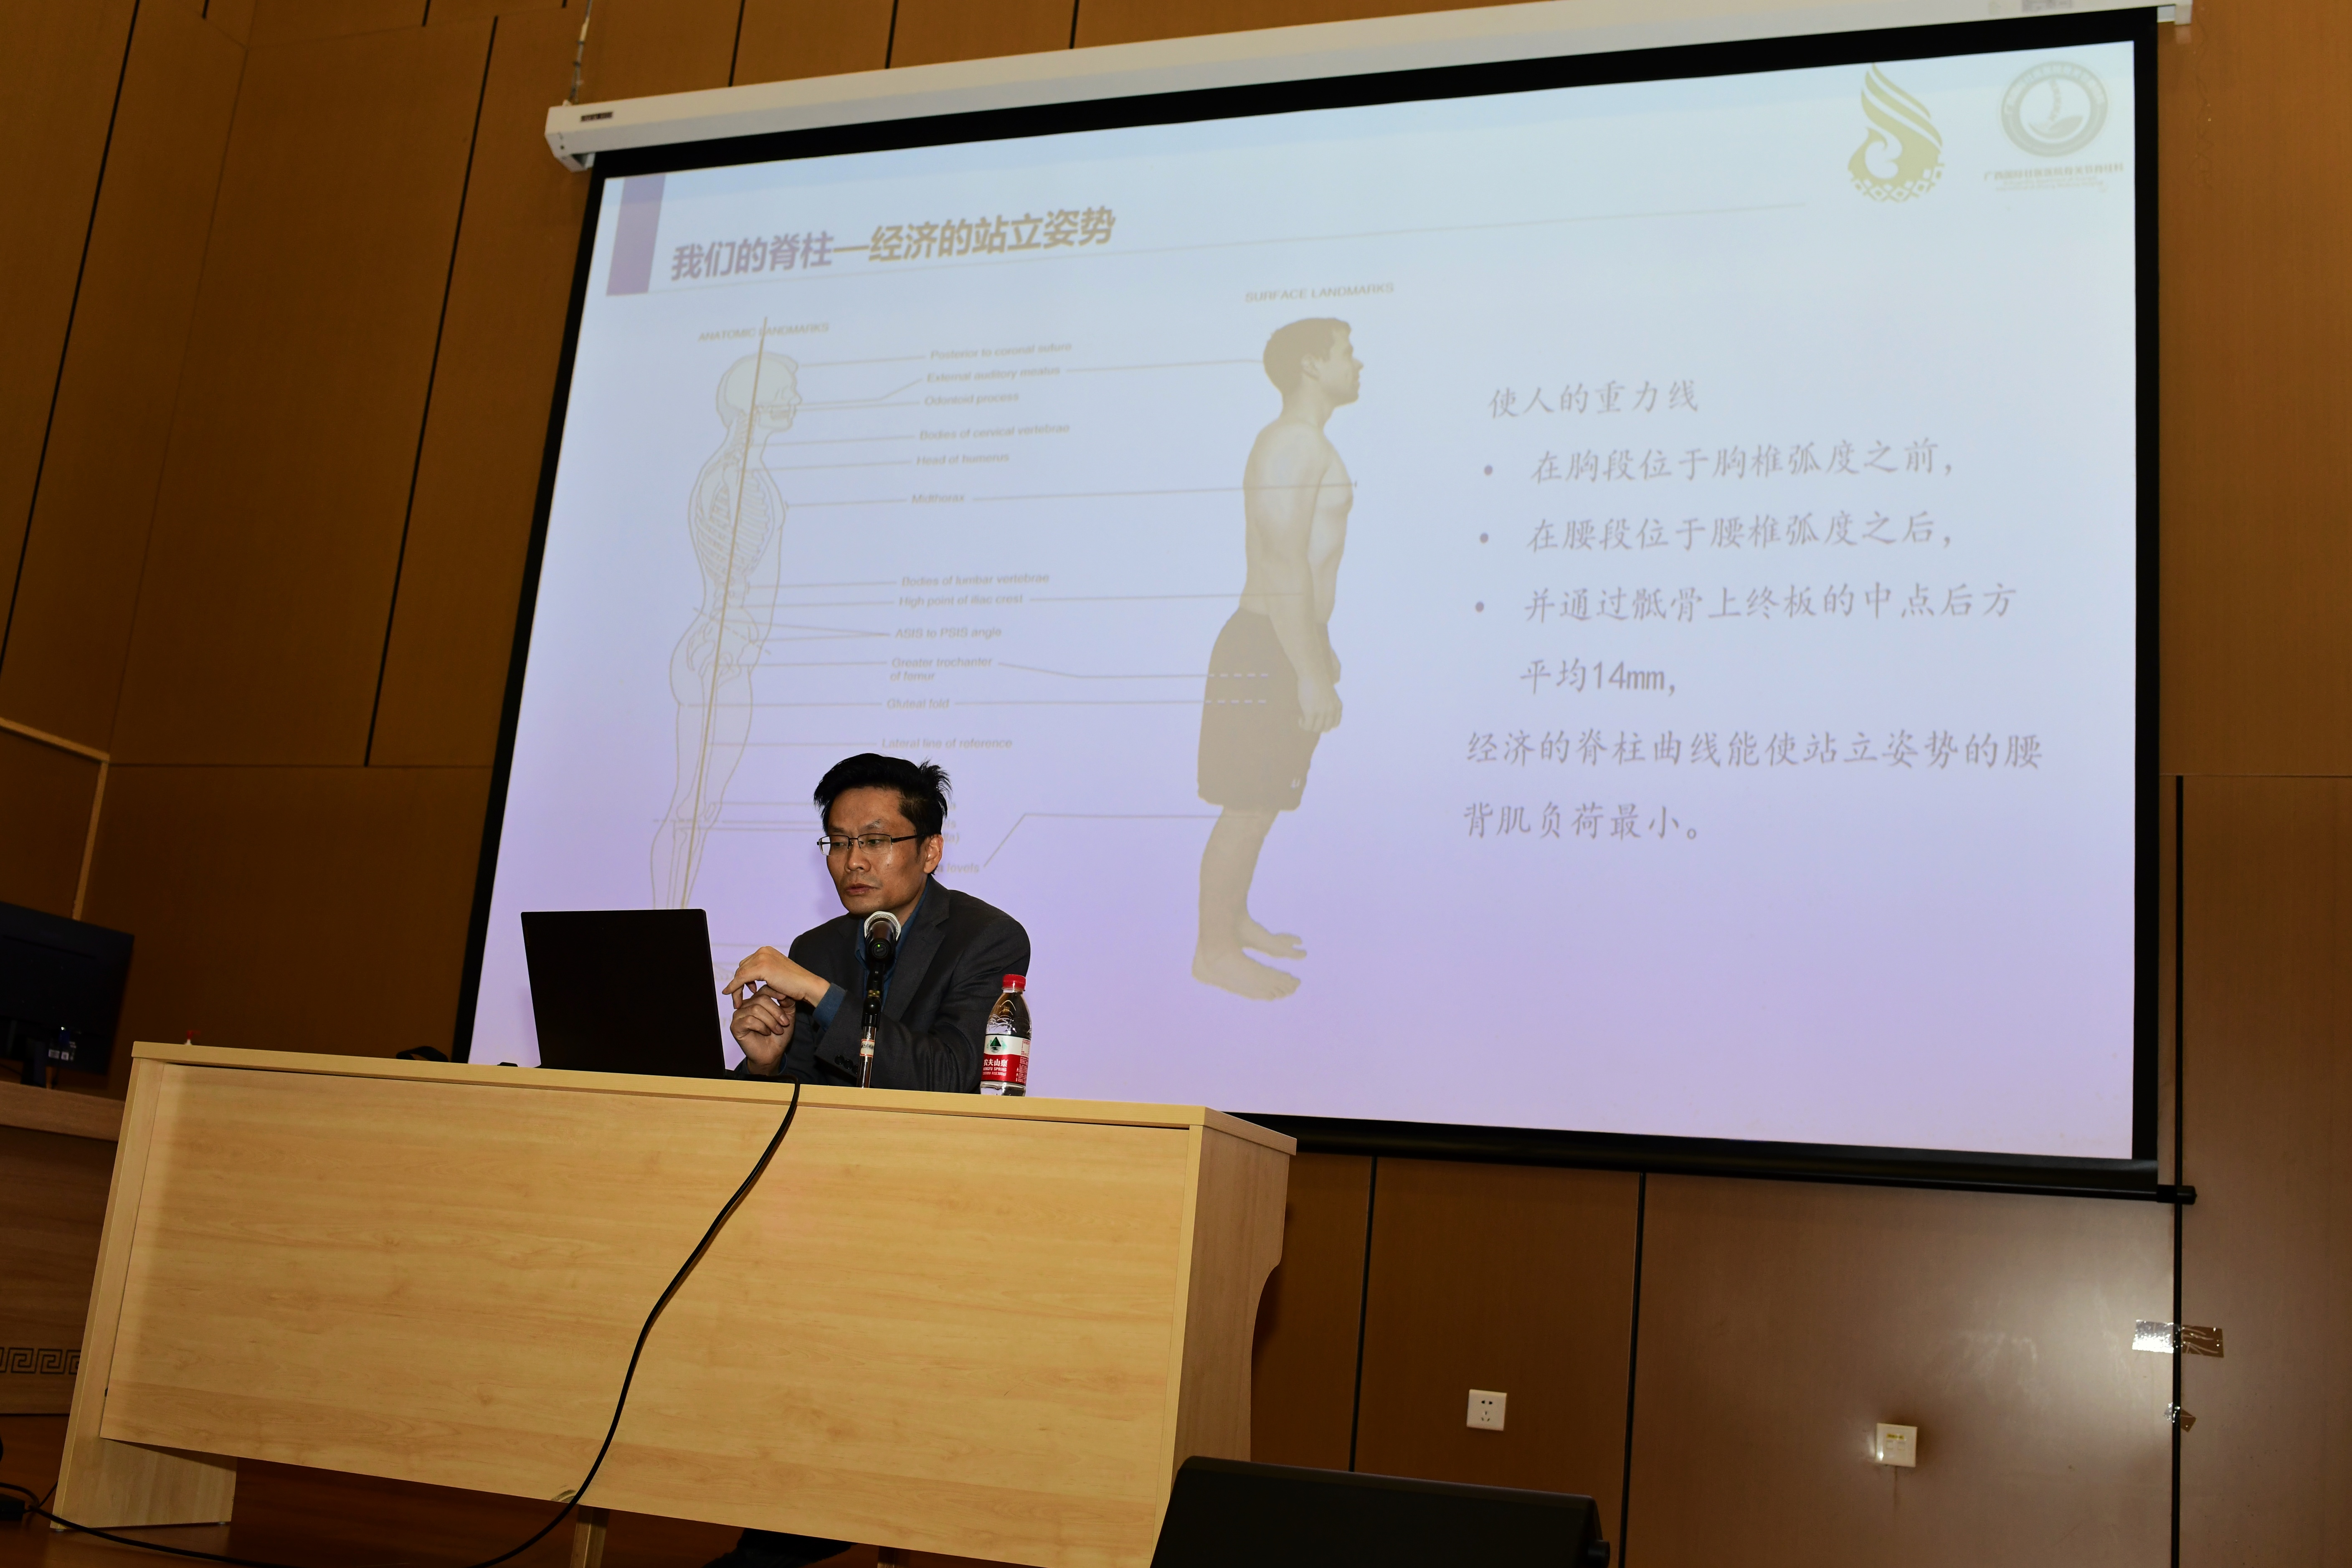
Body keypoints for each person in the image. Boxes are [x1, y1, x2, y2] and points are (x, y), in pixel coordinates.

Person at [706, 755, 1029, 1568]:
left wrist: (819, 996)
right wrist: (764, 1066)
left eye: (876, 840)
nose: (853, 861)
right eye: (838, 841)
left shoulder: (987, 938)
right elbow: (789, 1104)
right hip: (820, 1220)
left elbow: (951, 1075)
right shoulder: (821, 946)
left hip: (930, 1219)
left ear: (931, 850)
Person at [1193, 318, 1360, 1001]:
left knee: (1260, 804)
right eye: (1347, 353)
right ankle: (1213, 952)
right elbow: (1285, 562)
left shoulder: (1305, 443)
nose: (1358, 364)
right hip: (1267, 645)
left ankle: (1232, 922)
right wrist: (1311, 673)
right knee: (1246, 807)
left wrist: (1319, 649)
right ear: (1312, 365)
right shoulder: (1293, 444)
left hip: (1284, 641)